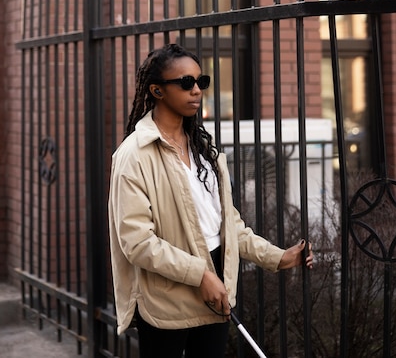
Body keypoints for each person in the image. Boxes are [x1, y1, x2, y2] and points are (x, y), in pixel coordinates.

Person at [108, 43, 313, 358]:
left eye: (200, 82)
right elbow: (136, 242)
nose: (196, 91)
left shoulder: (203, 148)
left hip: (217, 291)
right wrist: (200, 275)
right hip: (169, 300)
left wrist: (278, 257)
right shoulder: (133, 155)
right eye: (185, 83)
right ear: (157, 90)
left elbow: (227, 226)